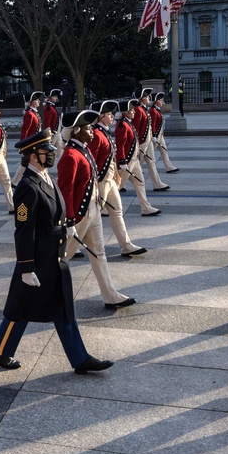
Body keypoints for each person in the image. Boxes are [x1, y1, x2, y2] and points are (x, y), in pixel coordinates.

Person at [0, 129, 113, 374]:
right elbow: (23, 230)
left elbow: (56, 210)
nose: (51, 156)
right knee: (21, 308)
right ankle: (0, 350)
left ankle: (79, 358)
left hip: (54, 255)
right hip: (39, 257)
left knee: (61, 307)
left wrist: (68, 226)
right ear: (33, 156)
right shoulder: (27, 187)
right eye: (46, 152)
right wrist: (26, 267)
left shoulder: (47, 178)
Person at [57, 110, 135, 309]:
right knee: (62, 257)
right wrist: (70, 221)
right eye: (87, 127)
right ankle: (38, 292)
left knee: (99, 253)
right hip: (81, 216)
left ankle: (110, 295)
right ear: (75, 131)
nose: (91, 130)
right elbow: (67, 191)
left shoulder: (83, 149)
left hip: (93, 210)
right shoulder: (70, 156)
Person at [89, 100, 146, 257]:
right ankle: (66, 248)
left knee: (117, 211)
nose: (112, 116)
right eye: (108, 114)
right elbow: (91, 161)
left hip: (110, 179)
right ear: (100, 117)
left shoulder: (104, 131)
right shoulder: (97, 134)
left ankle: (126, 245)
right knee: (89, 217)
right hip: (101, 180)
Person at [114, 100, 161, 216]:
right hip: (128, 161)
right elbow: (120, 145)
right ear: (125, 113)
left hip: (134, 160)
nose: (134, 112)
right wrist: (122, 161)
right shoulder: (122, 125)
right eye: (131, 111)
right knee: (116, 187)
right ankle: (103, 208)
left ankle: (145, 207)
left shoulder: (128, 122)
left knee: (140, 183)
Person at [132, 88, 169, 191]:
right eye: (147, 96)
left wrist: (152, 135)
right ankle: (120, 184)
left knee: (152, 161)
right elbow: (136, 127)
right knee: (133, 163)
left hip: (148, 140)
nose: (149, 98)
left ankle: (157, 184)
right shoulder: (138, 109)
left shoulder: (143, 108)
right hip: (142, 141)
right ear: (142, 99)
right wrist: (137, 142)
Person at [11, 91, 43, 185]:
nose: (39, 102)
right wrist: (23, 144)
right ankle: (15, 182)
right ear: (31, 102)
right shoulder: (29, 114)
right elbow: (25, 130)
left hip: (35, 142)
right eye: (36, 100)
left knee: (28, 163)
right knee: (26, 163)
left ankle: (15, 182)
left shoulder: (33, 113)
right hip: (30, 143)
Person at [150, 92, 179, 173]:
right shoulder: (153, 111)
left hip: (159, 135)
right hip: (156, 136)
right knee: (147, 154)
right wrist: (154, 135)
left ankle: (169, 167)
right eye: (160, 100)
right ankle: (137, 166)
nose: (162, 101)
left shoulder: (156, 110)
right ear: (155, 102)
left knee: (164, 150)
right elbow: (153, 124)